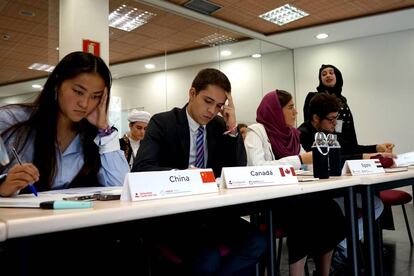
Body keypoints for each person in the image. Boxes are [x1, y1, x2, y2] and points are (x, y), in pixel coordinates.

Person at [0, 51, 130, 272]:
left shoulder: (91, 137)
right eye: (78, 91)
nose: (84, 103)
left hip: (70, 233)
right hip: (21, 236)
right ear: (58, 84)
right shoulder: (12, 120)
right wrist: (3, 185)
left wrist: (104, 128)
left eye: (96, 96)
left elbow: (121, 185)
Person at [133, 68, 266, 276]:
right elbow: (141, 169)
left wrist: (232, 129)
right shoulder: (163, 122)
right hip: (174, 216)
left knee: (256, 242)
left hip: (211, 213)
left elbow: (236, 170)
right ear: (192, 93)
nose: (212, 110)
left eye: (219, 106)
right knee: (208, 257)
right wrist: (185, 175)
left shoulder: (218, 126)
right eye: (208, 101)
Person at [245, 90, 345, 276]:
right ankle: (296, 273)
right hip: (271, 203)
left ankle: (324, 272)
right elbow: (257, 167)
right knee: (305, 215)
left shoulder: (292, 134)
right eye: (290, 107)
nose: (296, 112)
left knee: (332, 212)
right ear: (275, 110)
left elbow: (306, 166)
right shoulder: (256, 132)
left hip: (296, 196)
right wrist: (300, 160)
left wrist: (317, 164)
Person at [298, 92, 393, 268]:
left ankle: (340, 246)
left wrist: (375, 148)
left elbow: (349, 148)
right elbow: (333, 159)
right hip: (318, 197)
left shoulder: (331, 130)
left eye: (337, 118)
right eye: (332, 119)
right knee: (352, 208)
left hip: (336, 190)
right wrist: (365, 156)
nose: (336, 124)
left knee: (376, 204)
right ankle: (342, 249)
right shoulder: (304, 135)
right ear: (316, 118)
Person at [303, 64, 394, 157]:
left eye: (331, 73)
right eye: (324, 74)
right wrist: (366, 156)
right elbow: (311, 126)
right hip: (326, 147)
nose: (328, 75)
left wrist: (376, 148)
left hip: (344, 148)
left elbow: (348, 141)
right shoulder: (313, 98)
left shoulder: (343, 100)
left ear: (337, 76)